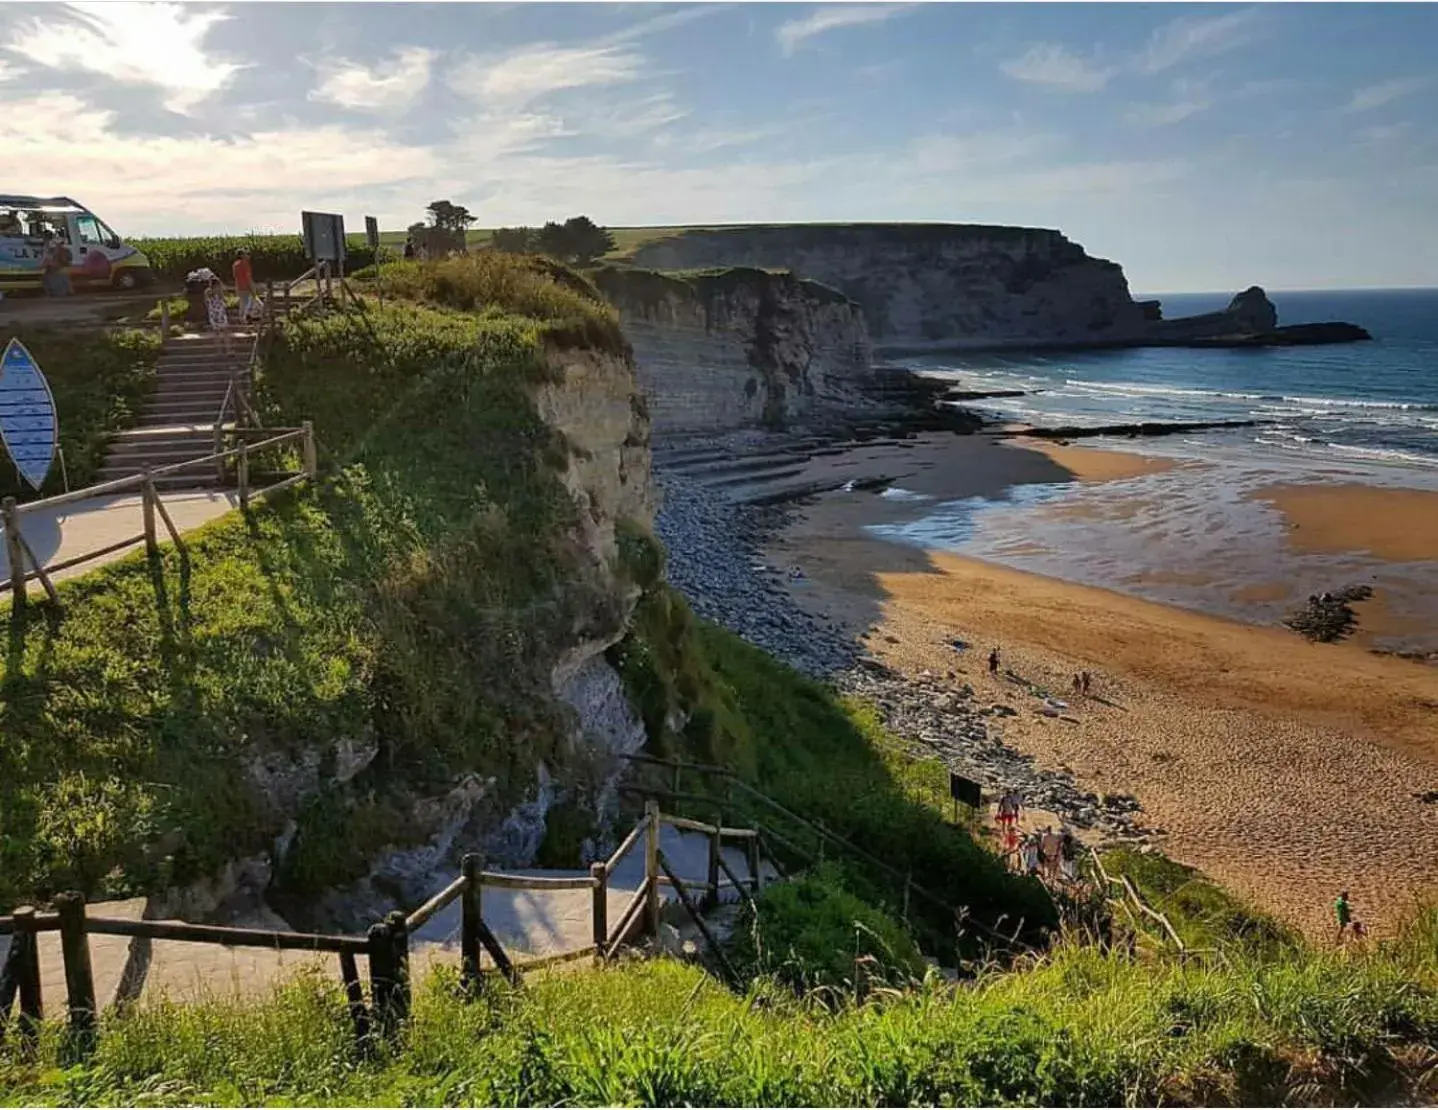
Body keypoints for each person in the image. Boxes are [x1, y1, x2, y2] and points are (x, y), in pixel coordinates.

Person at [204, 275, 231, 355]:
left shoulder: (207, 292)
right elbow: (223, 299)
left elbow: (206, 303)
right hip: (220, 313)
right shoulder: (219, 291)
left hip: (214, 313)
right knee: (225, 331)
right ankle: (228, 349)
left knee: (216, 332)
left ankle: (219, 350)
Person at [232, 248, 256, 322]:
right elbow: (248, 277)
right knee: (249, 304)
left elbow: (235, 277)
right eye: (246, 254)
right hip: (246, 287)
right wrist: (253, 287)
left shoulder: (235, 264)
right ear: (242, 255)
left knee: (242, 304)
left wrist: (236, 287)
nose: (248, 256)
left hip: (239, 286)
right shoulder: (245, 264)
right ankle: (246, 319)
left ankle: (241, 318)